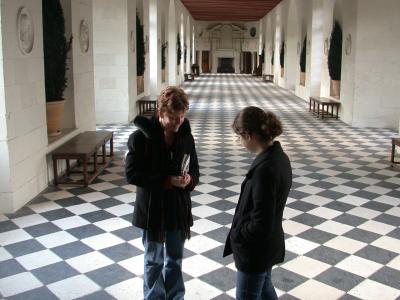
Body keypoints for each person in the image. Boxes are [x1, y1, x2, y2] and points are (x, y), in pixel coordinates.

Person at [125, 86, 199, 300]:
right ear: (160, 114)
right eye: (173, 118)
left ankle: (175, 297)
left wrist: (189, 180)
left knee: (175, 258)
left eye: (182, 117)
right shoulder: (140, 139)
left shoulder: (186, 136)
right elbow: (132, 175)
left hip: (177, 208)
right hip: (152, 209)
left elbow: (194, 169)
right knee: (153, 260)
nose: (179, 122)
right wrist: (166, 180)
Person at [223, 106, 292, 300]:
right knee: (264, 290)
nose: (239, 141)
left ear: (250, 135)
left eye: (239, 137)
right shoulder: (279, 157)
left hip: (255, 251)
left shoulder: (265, 170)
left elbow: (261, 222)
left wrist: (238, 234)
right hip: (269, 244)